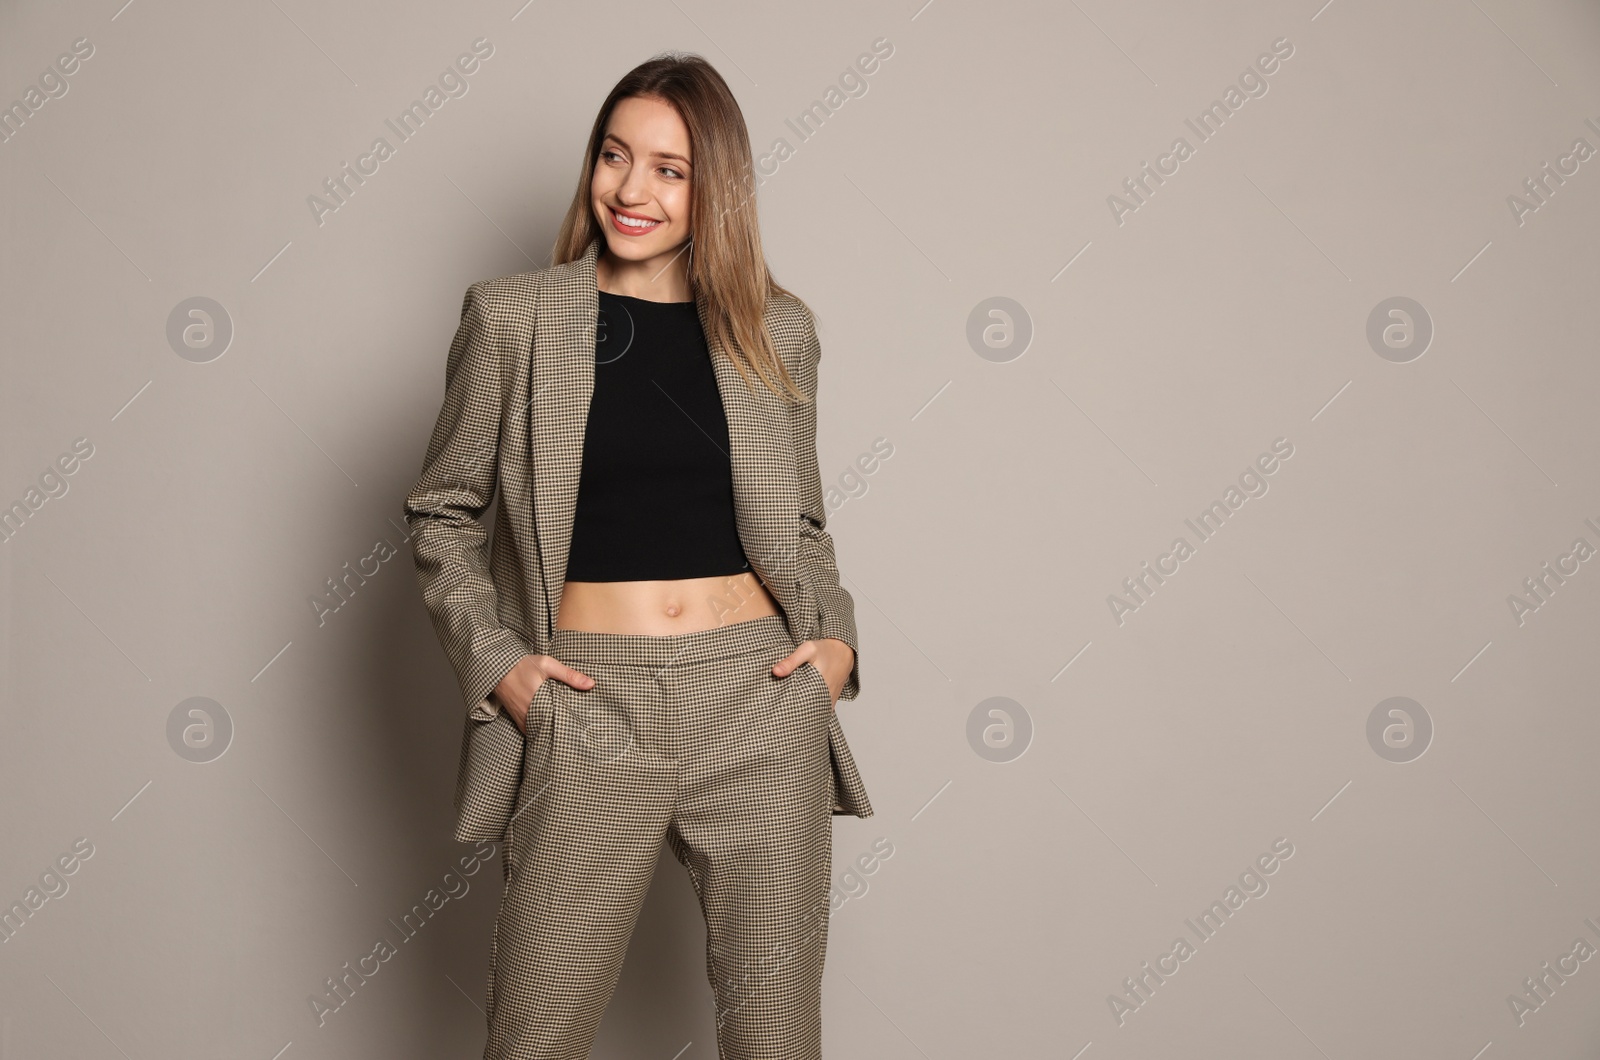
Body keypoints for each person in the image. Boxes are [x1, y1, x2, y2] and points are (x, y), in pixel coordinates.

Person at [404, 51, 874, 1060]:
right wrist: (503, 668)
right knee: (535, 1036)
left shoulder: (775, 333)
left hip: (757, 695)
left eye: (670, 167)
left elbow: (802, 526)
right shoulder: (514, 319)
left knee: (775, 1038)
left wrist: (829, 649)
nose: (631, 188)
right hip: (585, 699)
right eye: (615, 156)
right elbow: (441, 514)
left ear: (717, 190)